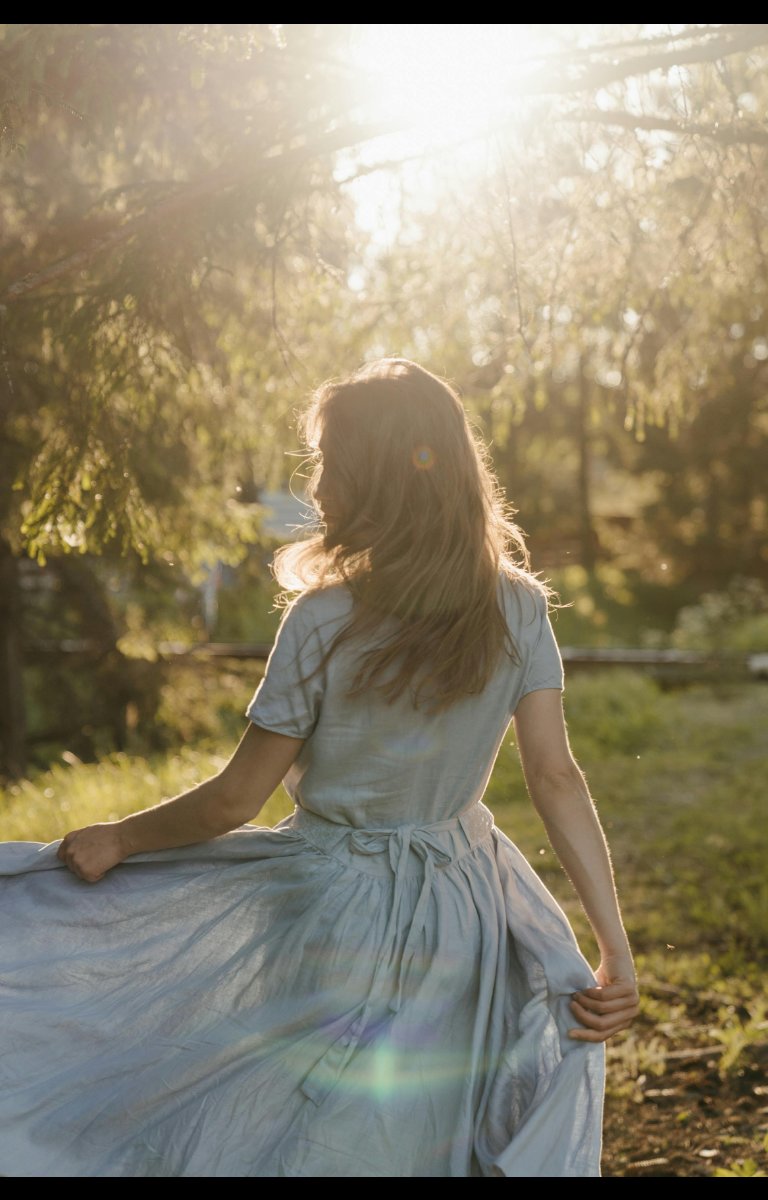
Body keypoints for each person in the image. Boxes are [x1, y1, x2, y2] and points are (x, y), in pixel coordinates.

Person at [0, 358, 639, 1178]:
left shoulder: (326, 619)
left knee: (316, 1121)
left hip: (332, 907)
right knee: (425, 1120)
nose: (318, 484)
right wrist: (614, 947)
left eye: (329, 461)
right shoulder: (516, 605)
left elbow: (236, 798)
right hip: (464, 898)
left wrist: (121, 839)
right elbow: (556, 778)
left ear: (373, 473)